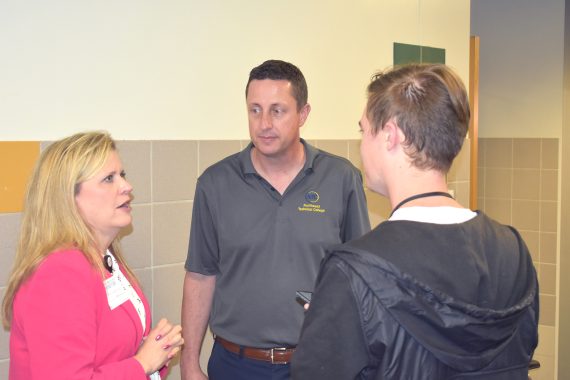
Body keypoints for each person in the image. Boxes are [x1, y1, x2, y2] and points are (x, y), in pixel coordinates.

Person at [291, 64, 539, 379]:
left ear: (391, 136)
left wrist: (334, 320)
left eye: (363, 131)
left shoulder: (355, 271)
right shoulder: (514, 252)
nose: (361, 145)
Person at [181, 59, 371, 380]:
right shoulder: (215, 184)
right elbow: (200, 275)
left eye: (277, 110)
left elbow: (359, 276)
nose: (264, 123)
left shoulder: (341, 179)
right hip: (235, 364)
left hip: (318, 361)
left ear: (303, 114)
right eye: (255, 110)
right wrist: (188, 363)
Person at [1, 131, 184, 380]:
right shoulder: (59, 272)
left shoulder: (104, 258)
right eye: (108, 178)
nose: (127, 186)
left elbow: (113, 354)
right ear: (69, 198)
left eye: (122, 175)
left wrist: (154, 355)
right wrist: (142, 364)